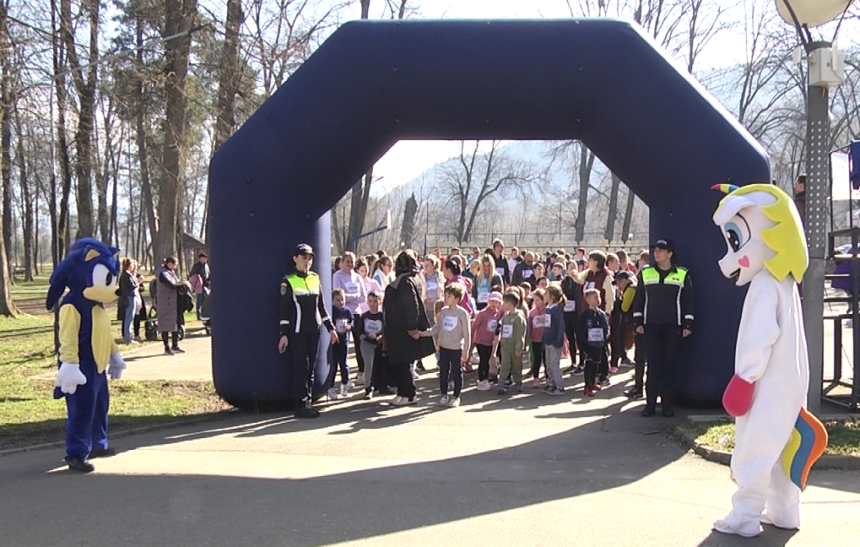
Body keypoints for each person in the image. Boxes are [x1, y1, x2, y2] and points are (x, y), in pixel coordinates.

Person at [631, 238, 693, 418]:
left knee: (668, 366)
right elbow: (639, 299)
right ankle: (650, 405)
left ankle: (667, 406)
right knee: (653, 366)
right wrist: (637, 322)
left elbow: (689, 301)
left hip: (673, 327)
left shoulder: (682, 274)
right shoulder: (646, 273)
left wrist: (688, 324)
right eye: (655, 250)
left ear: (670, 253)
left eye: (661, 250)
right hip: (650, 326)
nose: (656, 253)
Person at [278, 243, 338, 419]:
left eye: (310, 258)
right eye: (304, 257)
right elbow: (284, 310)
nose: (308, 261)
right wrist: (283, 334)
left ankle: (308, 403)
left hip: (315, 330)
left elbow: (322, 307)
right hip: (298, 331)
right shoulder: (288, 280)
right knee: (301, 368)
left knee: (311, 367)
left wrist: (331, 328)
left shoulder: (315, 278)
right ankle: (300, 405)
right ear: (295, 258)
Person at [383, 250, 435, 406]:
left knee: (402, 363)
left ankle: (409, 394)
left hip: (402, 330)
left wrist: (412, 328)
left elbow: (411, 305)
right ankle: (403, 393)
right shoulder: (412, 279)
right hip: (401, 329)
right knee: (403, 363)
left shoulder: (405, 282)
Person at [569, 250, 615, 386]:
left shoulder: (606, 277)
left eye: (590, 259)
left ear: (596, 261)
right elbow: (579, 279)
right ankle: (593, 373)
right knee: (589, 344)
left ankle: (603, 374)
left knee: (601, 345)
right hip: (587, 313)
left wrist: (607, 314)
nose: (588, 262)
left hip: (599, 315)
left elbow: (610, 297)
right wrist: (573, 274)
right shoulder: (588, 273)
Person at [422, 283, 471, 407]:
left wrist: (466, 350)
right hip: (443, 348)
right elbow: (437, 328)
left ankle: (456, 396)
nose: (446, 298)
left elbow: (467, 334)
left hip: (456, 349)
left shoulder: (462, 313)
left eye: (449, 296)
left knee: (456, 372)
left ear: (457, 298)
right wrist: (422, 334)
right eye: (445, 295)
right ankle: (444, 394)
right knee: (443, 372)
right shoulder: (443, 312)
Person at [333, 252, 367, 382]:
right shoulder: (337, 276)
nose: (350, 264)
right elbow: (338, 296)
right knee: (343, 345)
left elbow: (363, 296)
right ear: (342, 262)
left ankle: (362, 372)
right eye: (347, 261)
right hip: (342, 314)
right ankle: (343, 377)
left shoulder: (357, 277)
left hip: (357, 313)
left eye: (352, 261)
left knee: (359, 343)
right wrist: (354, 296)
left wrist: (349, 297)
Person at [155, 256, 191, 355]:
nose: (176, 267)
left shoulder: (170, 272)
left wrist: (183, 284)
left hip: (173, 302)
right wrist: (184, 283)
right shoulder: (162, 273)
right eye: (175, 265)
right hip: (165, 302)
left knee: (175, 324)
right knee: (165, 325)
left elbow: (176, 282)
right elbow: (171, 284)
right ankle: (167, 347)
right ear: (170, 263)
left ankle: (175, 345)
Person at [493, 291, 527, 395]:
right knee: (505, 365)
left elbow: (520, 333)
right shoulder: (505, 317)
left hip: (515, 347)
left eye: (504, 302)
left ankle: (518, 383)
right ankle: (501, 384)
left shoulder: (519, 317)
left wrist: (518, 348)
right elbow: (503, 331)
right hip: (505, 346)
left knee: (517, 366)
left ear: (509, 303)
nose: (503, 304)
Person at [578, 288, 609, 397]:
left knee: (597, 362)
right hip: (588, 344)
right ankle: (587, 386)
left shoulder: (601, 314)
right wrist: (582, 343)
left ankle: (593, 382)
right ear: (588, 300)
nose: (598, 299)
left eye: (599, 297)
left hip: (599, 344)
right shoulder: (585, 315)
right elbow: (580, 330)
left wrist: (605, 337)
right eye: (595, 297)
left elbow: (606, 327)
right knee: (589, 363)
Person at [471, 291, 503, 391]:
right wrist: (471, 340)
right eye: (492, 301)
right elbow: (474, 327)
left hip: (491, 342)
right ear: (488, 301)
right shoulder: (482, 314)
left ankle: (489, 377)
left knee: (491, 360)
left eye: (496, 302)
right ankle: (482, 380)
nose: (494, 304)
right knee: (483, 360)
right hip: (481, 341)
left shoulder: (498, 315)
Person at [357, 291, 386, 400]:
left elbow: (385, 330)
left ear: (380, 302)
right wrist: (362, 335)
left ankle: (381, 385)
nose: (372, 304)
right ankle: (368, 388)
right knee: (368, 364)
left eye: (375, 301)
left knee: (379, 365)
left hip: (378, 343)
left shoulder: (382, 316)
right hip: (366, 344)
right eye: (370, 301)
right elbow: (359, 330)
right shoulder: (365, 316)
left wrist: (379, 336)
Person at [327, 289, 353, 399]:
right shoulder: (332, 311)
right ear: (333, 301)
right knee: (333, 364)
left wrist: (349, 327)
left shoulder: (347, 311)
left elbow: (352, 322)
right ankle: (331, 386)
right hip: (334, 342)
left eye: (342, 299)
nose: (341, 302)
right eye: (338, 300)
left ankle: (344, 385)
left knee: (344, 364)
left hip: (344, 341)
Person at [609, 271, 636, 374]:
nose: (619, 284)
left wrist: (620, 299)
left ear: (627, 279)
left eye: (620, 281)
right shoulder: (627, 289)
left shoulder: (631, 289)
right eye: (617, 282)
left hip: (631, 321)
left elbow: (624, 308)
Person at [543, 283, 567, 395]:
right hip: (548, 340)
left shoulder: (557, 309)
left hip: (555, 342)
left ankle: (559, 386)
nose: (544, 295)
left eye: (546, 293)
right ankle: (552, 384)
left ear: (552, 296)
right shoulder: (548, 308)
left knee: (554, 364)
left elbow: (560, 325)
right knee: (548, 364)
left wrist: (558, 339)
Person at [561, 261, 582, 374]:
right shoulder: (564, 282)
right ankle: (573, 362)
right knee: (570, 338)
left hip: (577, 313)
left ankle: (582, 363)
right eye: (570, 268)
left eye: (574, 267)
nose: (573, 269)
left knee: (580, 338)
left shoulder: (580, 281)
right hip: (567, 313)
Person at [528, 288, 548, 388]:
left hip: (545, 339)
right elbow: (529, 326)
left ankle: (548, 377)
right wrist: (528, 336)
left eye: (538, 300)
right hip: (535, 339)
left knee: (546, 358)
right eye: (534, 300)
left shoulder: (548, 311)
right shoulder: (532, 313)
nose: (535, 302)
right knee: (537, 358)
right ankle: (536, 378)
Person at [117, 257, 138, 344]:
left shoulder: (126, 274)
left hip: (130, 297)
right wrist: (138, 282)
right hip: (129, 297)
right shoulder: (126, 275)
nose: (133, 266)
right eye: (132, 264)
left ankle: (128, 336)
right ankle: (127, 337)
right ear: (129, 265)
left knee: (130, 317)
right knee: (129, 317)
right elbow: (132, 286)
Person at [189, 252, 210, 320]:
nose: (204, 259)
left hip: (206, 286)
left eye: (205, 258)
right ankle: (199, 315)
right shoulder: (196, 266)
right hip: (199, 286)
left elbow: (208, 274)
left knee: (205, 301)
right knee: (199, 301)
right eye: (203, 258)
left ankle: (205, 315)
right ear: (200, 258)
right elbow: (192, 275)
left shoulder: (206, 266)